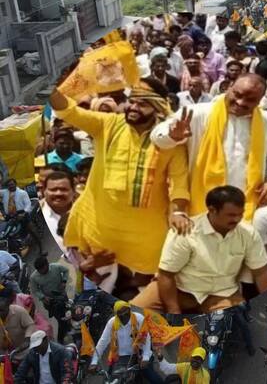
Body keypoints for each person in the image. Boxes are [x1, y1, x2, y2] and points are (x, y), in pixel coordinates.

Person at [50, 78, 191, 297]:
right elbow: (70, 112)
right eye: (131, 101)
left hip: (145, 235)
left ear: (157, 109)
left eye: (142, 103)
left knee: (146, 283)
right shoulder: (109, 124)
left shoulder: (170, 142)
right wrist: (47, 90)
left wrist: (179, 211)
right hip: (101, 229)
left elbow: (179, 183)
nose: (133, 107)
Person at [151, 73, 267, 220]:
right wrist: (172, 136)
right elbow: (157, 137)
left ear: (260, 100)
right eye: (237, 94)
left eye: (250, 100)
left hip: (247, 207)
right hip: (200, 204)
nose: (241, 102)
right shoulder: (198, 113)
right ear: (229, 88)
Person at [131, 185, 267, 314]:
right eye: (231, 215)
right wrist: (174, 312)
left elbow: (261, 272)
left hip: (222, 294)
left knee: (236, 332)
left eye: (240, 214)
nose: (237, 219)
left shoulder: (248, 233)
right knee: (128, 318)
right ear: (212, 210)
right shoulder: (186, 231)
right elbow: (166, 274)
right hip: (179, 290)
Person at [90, 301, 160, 383]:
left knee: (152, 377)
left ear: (129, 309)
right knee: (110, 380)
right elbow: (102, 342)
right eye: (120, 313)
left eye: (126, 311)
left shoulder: (139, 318)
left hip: (140, 354)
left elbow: (146, 338)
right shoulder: (111, 323)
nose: (123, 315)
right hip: (121, 358)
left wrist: (145, 357)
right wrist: (94, 362)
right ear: (116, 314)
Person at [30, 256, 69, 343]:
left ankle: (67, 330)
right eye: (40, 271)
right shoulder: (34, 277)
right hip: (50, 302)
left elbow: (66, 270)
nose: (42, 272)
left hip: (62, 296)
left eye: (43, 269)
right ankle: (60, 338)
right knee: (61, 319)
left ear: (47, 264)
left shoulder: (56, 267)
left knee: (68, 314)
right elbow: (35, 290)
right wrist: (43, 297)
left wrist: (64, 281)